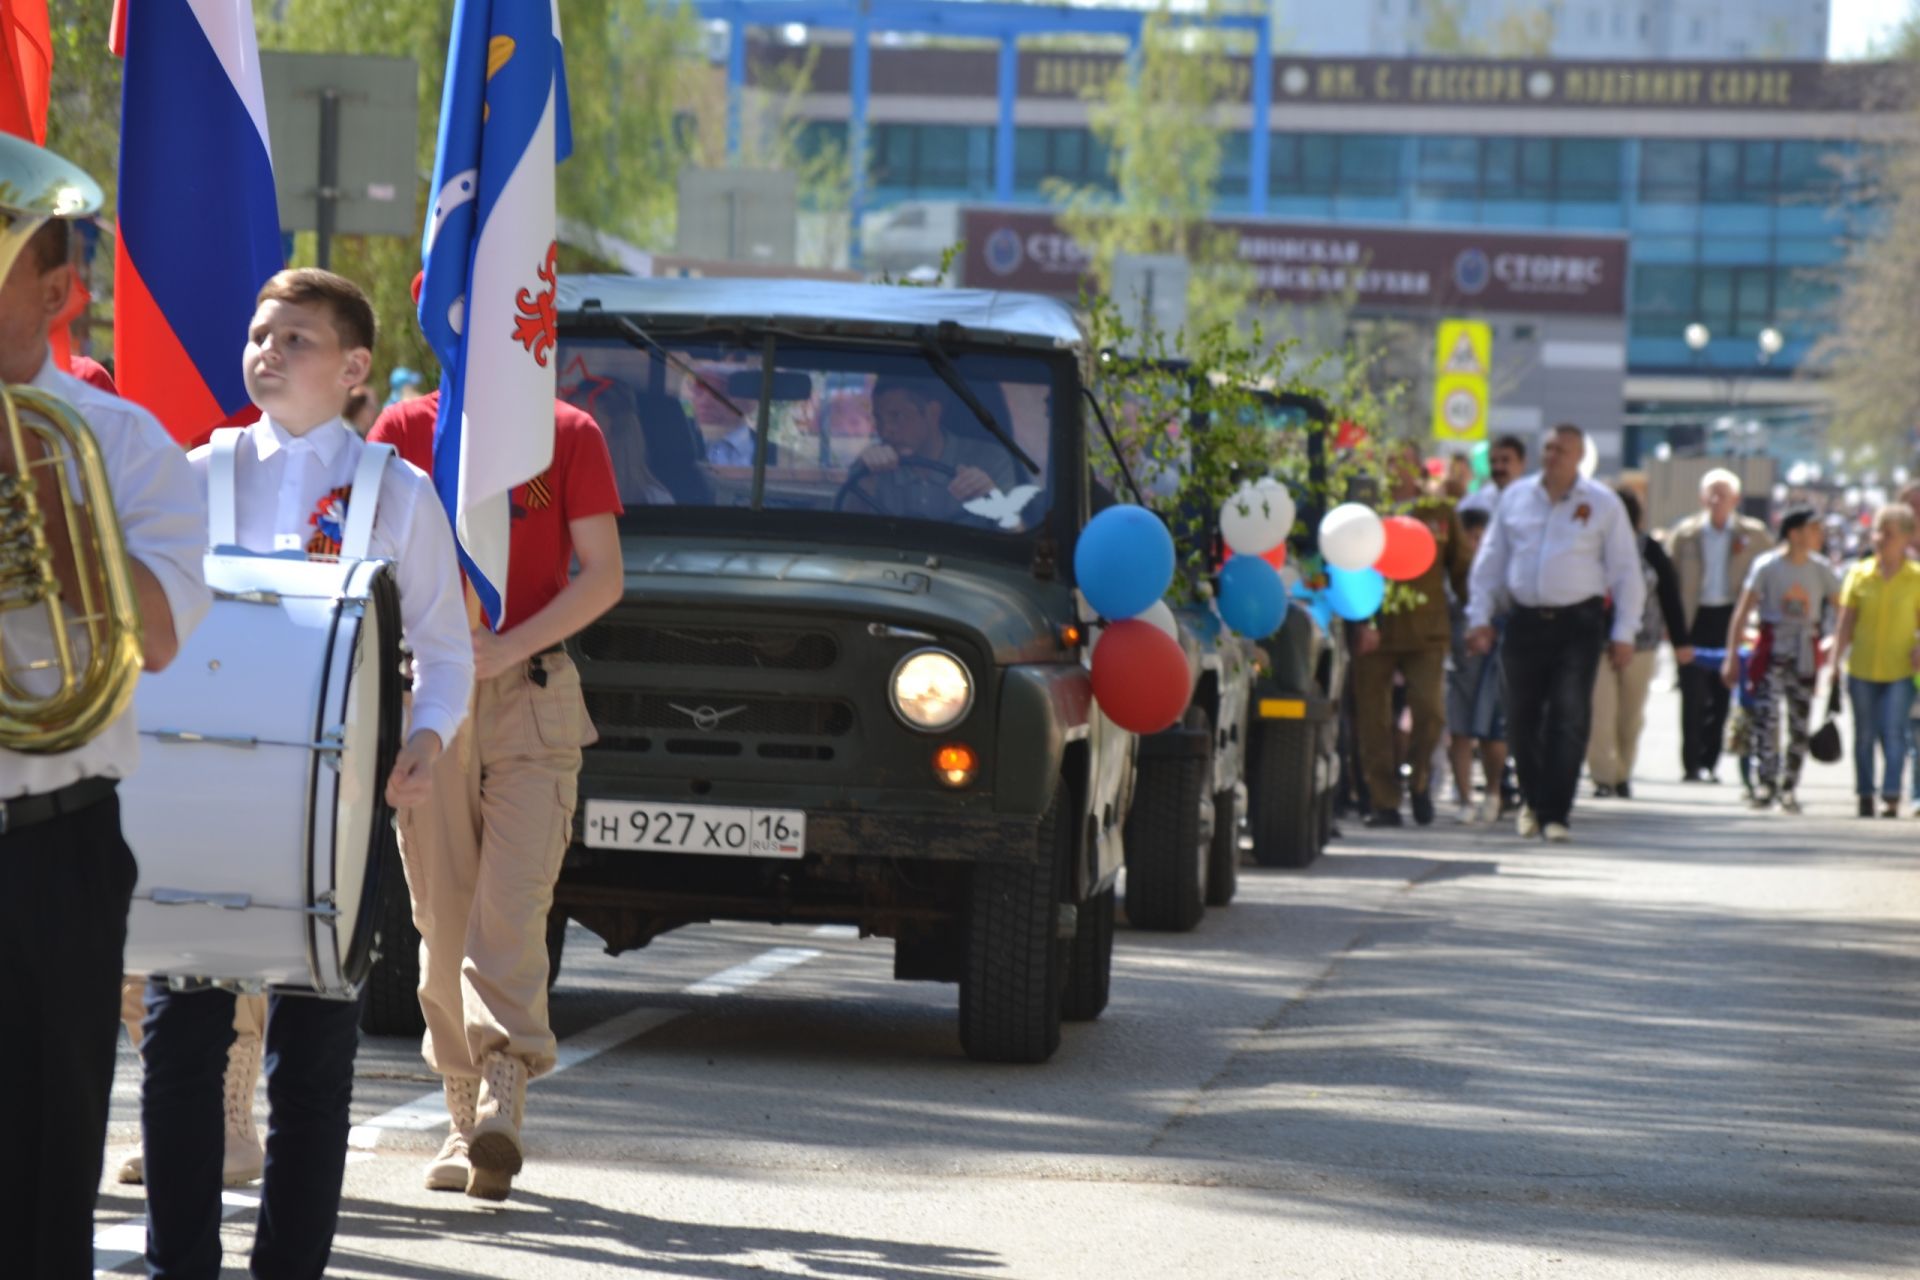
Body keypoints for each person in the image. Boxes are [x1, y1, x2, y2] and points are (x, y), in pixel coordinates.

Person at [138, 269, 473, 1280]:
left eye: (296, 340)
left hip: (341, 798)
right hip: (200, 793)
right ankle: (179, 1262)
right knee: (180, 1044)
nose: (267, 352)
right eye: (259, 335)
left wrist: (429, 736)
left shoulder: (397, 492)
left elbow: (446, 648)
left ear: (356, 367)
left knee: (313, 1057)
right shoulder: (196, 473)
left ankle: (289, 1267)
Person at [0, 207, 210, 1279]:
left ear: (56, 287)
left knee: (43, 1151)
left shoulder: (119, 443)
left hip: (51, 841)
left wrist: (44, 489)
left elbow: (162, 633)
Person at [370, 348, 624, 1202]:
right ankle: (459, 1113)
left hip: (533, 692)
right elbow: (368, 565)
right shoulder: (405, 431)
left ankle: (502, 1095)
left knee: (511, 909)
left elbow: (605, 573)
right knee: (442, 915)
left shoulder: (567, 434)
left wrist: (510, 644)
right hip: (431, 698)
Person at [1466, 424, 1643, 843]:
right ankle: (1531, 800)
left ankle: (1555, 812)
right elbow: (1491, 562)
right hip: (1524, 620)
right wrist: (1479, 617)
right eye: (1548, 448)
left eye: (1563, 450)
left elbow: (1625, 571)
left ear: (1580, 456)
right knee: (1521, 718)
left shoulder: (1602, 503)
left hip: (1577, 624)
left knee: (1568, 715)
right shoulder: (1516, 498)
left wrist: (1625, 632)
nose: (1553, 456)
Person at [1354, 442, 1472, 828]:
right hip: (1378, 629)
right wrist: (1360, 622)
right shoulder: (1368, 511)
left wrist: (1480, 615)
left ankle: (1420, 782)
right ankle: (1385, 801)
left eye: (1405, 462)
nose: (1397, 470)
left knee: (1430, 712)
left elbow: (1461, 568)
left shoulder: (1437, 511)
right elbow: (1351, 568)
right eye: (1391, 462)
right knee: (1374, 720)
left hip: (1426, 630)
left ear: (1419, 468)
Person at [1719, 507, 1838, 813]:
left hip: (1805, 652)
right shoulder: (1767, 566)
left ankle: (1789, 787)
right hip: (1772, 649)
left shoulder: (1821, 569)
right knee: (1766, 718)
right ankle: (1766, 782)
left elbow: (1843, 610)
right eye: (1813, 529)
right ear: (1794, 533)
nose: (1819, 535)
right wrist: (1732, 656)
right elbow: (1742, 611)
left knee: (1799, 720)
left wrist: (1833, 644)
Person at [1588, 487, 1690, 801]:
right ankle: (1603, 777)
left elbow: (1671, 597)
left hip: (1642, 645)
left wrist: (1681, 642)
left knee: (1630, 715)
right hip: (1598, 643)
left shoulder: (1651, 550)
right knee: (1600, 713)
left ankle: (1622, 775)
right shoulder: (1592, 546)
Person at [1668, 468, 1769, 782]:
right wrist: (1670, 629)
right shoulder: (1685, 534)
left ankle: (1711, 761)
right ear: (1702, 498)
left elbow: (1769, 575)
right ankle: (1691, 764)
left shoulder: (1753, 535)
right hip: (1694, 619)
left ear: (1735, 499)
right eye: (1711, 493)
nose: (1716, 500)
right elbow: (1669, 583)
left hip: (1732, 618)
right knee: (1692, 694)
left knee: (1723, 690)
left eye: (1723, 494)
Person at [1829, 504, 1920, 818]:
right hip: (1862, 668)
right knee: (1864, 733)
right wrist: (1832, 663)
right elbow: (1845, 622)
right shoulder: (1859, 573)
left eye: (1890, 533)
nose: (1881, 538)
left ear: (1907, 538)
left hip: (1900, 670)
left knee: (1894, 732)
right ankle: (1865, 793)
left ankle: (1891, 794)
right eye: (1878, 530)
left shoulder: (1916, 578)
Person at [851, 375, 1016, 520]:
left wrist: (994, 499)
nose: (885, 430)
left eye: (897, 416)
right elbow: (844, 535)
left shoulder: (990, 460)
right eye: (879, 419)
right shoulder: (869, 467)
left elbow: (1018, 536)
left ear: (933, 413)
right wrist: (865, 481)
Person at [1445, 506, 1507, 823]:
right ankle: (1465, 799)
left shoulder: (1501, 571)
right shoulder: (1451, 572)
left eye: (1480, 537)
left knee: (1493, 734)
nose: (1474, 543)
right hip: (1458, 660)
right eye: (1468, 536)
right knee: (1459, 731)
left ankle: (1494, 793)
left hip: (1493, 661)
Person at [1457, 434, 1526, 518]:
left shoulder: (1533, 501)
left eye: (1505, 460)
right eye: (1493, 461)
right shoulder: (1475, 503)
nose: (1498, 467)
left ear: (1522, 463)